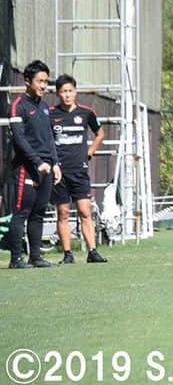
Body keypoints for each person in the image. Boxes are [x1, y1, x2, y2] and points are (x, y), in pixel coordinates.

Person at [8, 60, 61, 268]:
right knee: (22, 212)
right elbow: (19, 140)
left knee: (38, 213)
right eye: (40, 81)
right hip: (26, 168)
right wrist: (37, 162)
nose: (43, 86)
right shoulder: (18, 105)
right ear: (27, 81)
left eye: (46, 82)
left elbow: (49, 138)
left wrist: (55, 163)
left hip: (47, 168)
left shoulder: (45, 107)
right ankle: (16, 259)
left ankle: (36, 257)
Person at [49, 74, 107, 264]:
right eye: (63, 92)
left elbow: (100, 133)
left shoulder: (86, 113)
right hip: (59, 173)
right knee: (63, 213)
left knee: (85, 211)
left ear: (75, 92)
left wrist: (90, 151)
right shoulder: (51, 114)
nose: (67, 95)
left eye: (70, 91)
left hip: (79, 171)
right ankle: (67, 253)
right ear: (58, 93)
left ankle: (92, 251)